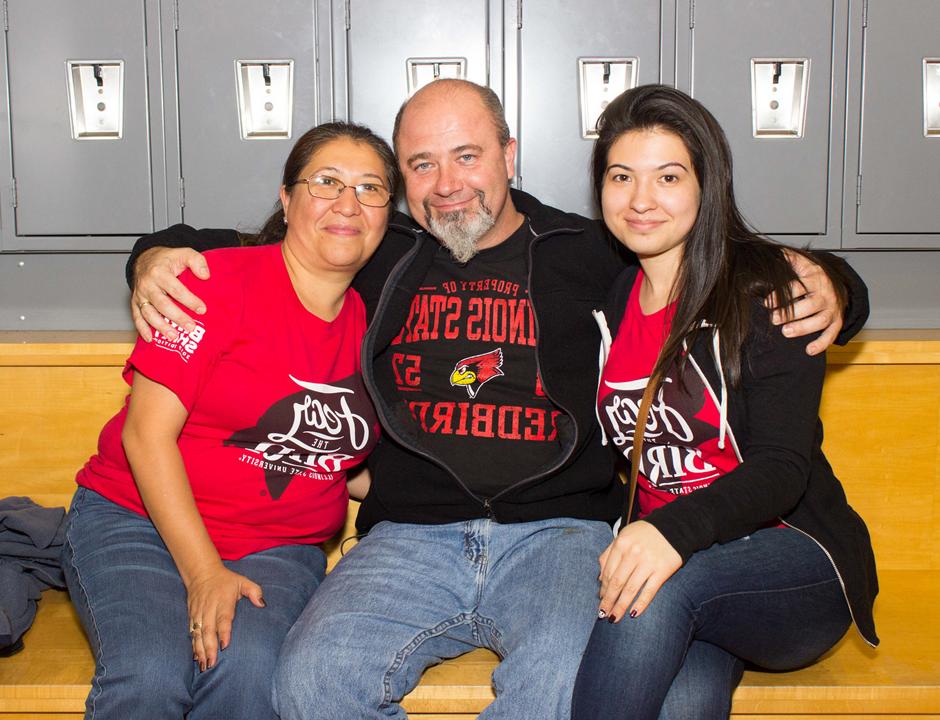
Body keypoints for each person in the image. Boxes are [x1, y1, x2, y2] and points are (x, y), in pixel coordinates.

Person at [127, 79, 867, 719]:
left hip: (561, 535)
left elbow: (718, 257)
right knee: (310, 684)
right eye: (421, 163)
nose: (446, 182)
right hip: (408, 538)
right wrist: (152, 258)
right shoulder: (378, 249)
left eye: (467, 156)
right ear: (403, 183)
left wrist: (839, 285)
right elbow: (245, 238)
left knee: (556, 690)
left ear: (509, 157)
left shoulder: (594, 249)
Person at [60, 121, 396, 720]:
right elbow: (145, 434)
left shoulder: (375, 324)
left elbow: (335, 461)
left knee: (250, 675)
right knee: (150, 676)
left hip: (278, 546)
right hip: (135, 524)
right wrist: (204, 572)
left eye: (371, 188)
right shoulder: (211, 286)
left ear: (386, 214)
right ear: (287, 200)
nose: (349, 203)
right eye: (327, 182)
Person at [570, 85, 878, 720]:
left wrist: (837, 283)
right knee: (682, 700)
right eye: (621, 176)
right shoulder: (608, 295)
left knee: (650, 591)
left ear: (707, 186)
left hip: (789, 558)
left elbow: (782, 468)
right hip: (680, 564)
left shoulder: (766, 293)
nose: (641, 199)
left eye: (669, 177)